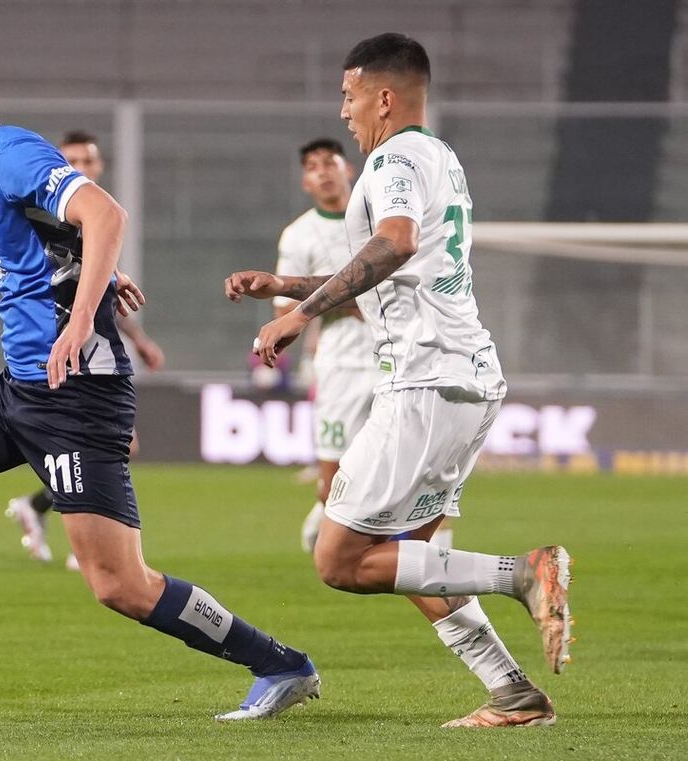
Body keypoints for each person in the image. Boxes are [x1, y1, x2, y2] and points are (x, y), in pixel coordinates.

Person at [0, 43, 318, 720]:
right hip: (21, 387)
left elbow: (106, 214)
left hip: (76, 395)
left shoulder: (10, 152)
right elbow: (64, 232)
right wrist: (87, 272)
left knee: (121, 585)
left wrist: (77, 321)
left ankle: (280, 663)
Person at [225, 33, 572, 728]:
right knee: (412, 560)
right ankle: (514, 694)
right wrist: (287, 284)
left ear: (383, 98)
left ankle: (524, 572)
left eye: (349, 96)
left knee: (339, 559)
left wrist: (298, 314)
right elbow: (397, 269)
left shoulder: (392, 159)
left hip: (422, 381)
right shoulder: (439, 156)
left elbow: (396, 242)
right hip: (466, 377)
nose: (344, 111)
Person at [269, 138, 453, 554]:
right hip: (342, 366)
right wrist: (352, 299)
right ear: (305, 182)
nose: (323, 172)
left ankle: (431, 559)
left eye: (329, 162)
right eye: (313, 166)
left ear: (348, 169)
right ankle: (327, 510)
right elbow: (282, 306)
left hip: (403, 357)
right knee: (333, 481)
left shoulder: (387, 219)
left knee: (422, 470)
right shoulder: (299, 234)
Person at [5, 130, 165, 572]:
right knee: (102, 447)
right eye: (71, 160)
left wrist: (139, 340)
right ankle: (86, 542)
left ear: (99, 166)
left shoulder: (90, 219)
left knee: (110, 446)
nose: (80, 168)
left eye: (88, 161)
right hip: (53, 350)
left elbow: (96, 296)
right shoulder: (47, 216)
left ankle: (41, 509)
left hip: (90, 350)